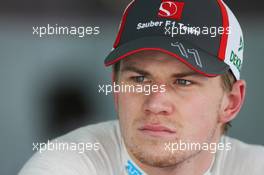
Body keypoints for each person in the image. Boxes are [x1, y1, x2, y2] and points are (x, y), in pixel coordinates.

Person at [19, 0, 264, 175]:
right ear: (116, 90)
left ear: (231, 102)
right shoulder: (64, 165)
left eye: (183, 82)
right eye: (139, 80)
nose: (155, 104)